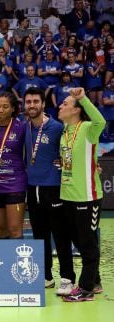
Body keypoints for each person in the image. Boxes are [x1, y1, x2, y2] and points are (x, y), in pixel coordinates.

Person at [23, 87, 75, 291]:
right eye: (29, 102)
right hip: (32, 188)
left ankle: (67, 277)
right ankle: (45, 276)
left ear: (43, 104)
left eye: (36, 101)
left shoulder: (56, 127)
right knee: (39, 235)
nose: (32, 105)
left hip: (54, 188)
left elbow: (69, 150)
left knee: (60, 235)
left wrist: (64, 162)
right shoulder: (24, 127)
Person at [57, 87, 106, 301]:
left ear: (76, 110)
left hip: (87, 196)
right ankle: (94, 281)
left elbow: (101, 122)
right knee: (78, 241)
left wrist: (83, 98)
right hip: (68, 195)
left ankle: (85, 289)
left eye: (65, 104)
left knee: (87, 243)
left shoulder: (87, 128)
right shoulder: (65, 132)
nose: (61, 106)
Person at [0, 92, 27, 239]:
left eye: (5, 107)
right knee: (1, 231)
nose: (0, 110)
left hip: (14, 185)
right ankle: (4, 262)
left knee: (15, 230)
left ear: (12, 109)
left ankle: (18, 261)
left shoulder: (21, 127)